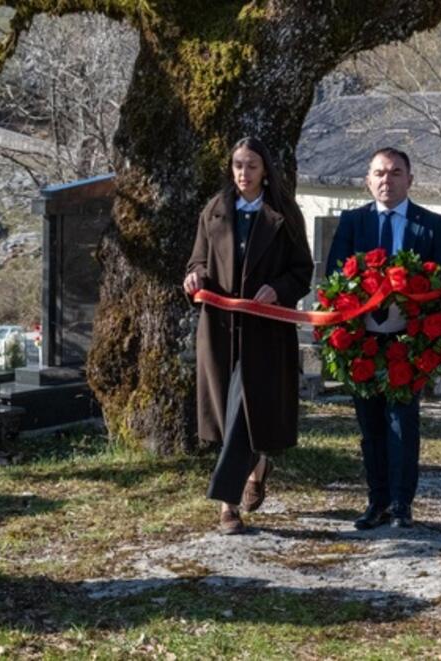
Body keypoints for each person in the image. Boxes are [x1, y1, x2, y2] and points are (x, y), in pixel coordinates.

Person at [184, 136, 313, 534]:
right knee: (227, 413)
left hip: (265, 330)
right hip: (220, 330)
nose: (244, 173)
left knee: (245, 410)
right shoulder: (215, 210)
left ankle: (227, 505)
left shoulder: (284, 214)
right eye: (238, 165)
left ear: (265, 170)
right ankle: (256, 467)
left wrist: (278, 288)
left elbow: (301, 270)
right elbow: (198, 260)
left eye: (252, 165)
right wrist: (195, 278)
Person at [325, 147, 441, 530]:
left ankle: (401, 504)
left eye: (396, 172)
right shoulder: (352, 222)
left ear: (410, 179)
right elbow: (335, 279)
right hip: (362, 341)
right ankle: (376, 500)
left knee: (402, 423)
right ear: (368, 180)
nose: (387, 179)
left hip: (408, 341)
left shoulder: (430, 225)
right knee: (370, 426)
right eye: (380, 173)